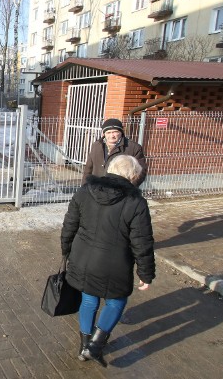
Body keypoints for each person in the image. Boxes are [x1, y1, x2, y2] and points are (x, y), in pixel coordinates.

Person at [61, 154, 155, 367]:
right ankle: (95, 345)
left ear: (109, 169)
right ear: (132, 176)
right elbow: (142, 242)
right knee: (116, 301)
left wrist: (66, 251)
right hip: (116, 264)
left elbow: (69, 226)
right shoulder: (136, 202)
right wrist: (146, 273)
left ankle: (84, 346)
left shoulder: (85, 191)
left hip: (84, 259)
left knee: (88, 299)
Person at [82, 118, 147, 186]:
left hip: (120, 190)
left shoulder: (133, 148)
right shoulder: (96, 146)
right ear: (104, 134)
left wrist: (129, 188)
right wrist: (84, 188)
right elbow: (88, 169)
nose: (112, 136)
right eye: (108, 132)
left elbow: (141, 172)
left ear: (121, 132)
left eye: (115, 132)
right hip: (96, 189)